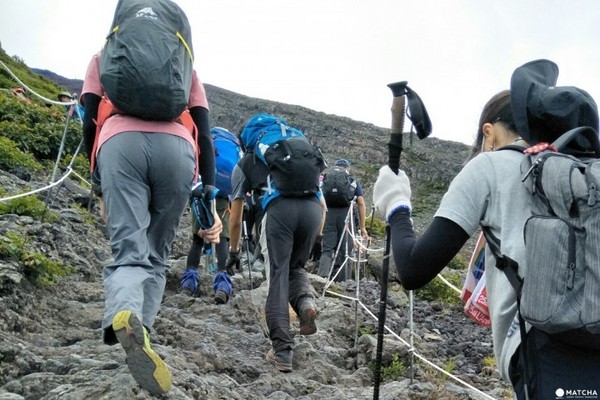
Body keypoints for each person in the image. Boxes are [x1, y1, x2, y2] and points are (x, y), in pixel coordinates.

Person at [373, 61, 600, 399]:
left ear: (489, 132)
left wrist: (396, 204)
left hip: (542, 349)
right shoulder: (588, 176)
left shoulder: (490, 166)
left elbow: (414, 269)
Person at [80, 44, 222, 400]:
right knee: (157, 256)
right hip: (177, 148)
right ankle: (141, 330)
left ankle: (127, 314)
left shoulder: (105, 57)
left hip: (119, 142)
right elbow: (205, 135)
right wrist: (210, 198)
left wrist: (98, 181)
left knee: (129, 250)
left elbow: (89, 120)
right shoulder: (183, 64)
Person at [226, 116, 325, 373]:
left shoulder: (248, 161)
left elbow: (235, 218)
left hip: (280, 212)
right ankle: (306, 305)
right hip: (313, 211)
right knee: (297, 267)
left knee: (278, 276)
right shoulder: (297, 155)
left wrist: (234, 252)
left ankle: (281, 351)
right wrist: (319, 238)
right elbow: (322, 202)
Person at [317, 159, 369, 281]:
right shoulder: (352, 180)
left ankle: (321, 279)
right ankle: (344, 282)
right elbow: (361, 202)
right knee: (346, 251)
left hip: (328, 216)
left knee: (327, 250)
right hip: (347, 217)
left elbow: (317, 198)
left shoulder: (324, 178)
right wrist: (362, 227)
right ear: (347, 168)